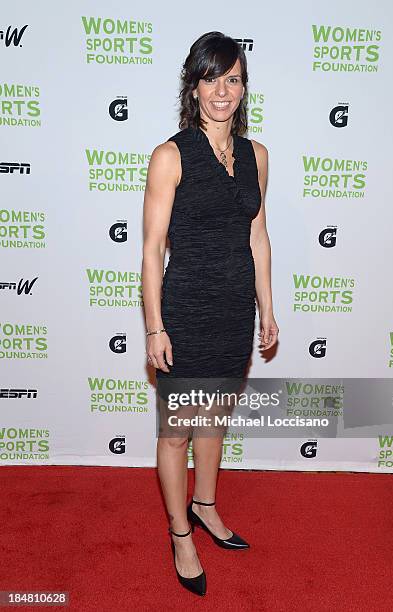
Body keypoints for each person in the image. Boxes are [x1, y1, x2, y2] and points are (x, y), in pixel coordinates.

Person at [141, 31, 278, 596]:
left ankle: (205, 505)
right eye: (212, 78)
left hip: (231, 314)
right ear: (193, 86)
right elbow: (151, 249)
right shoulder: (170, 156)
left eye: (234, 79)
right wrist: (155, 326)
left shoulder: (256, 156)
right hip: (186, 312)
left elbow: (258, 234)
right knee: (177, 432)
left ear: (244, 88)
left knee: (213, 418)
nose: (223, 91)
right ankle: (179, 533)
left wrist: (267, 307)